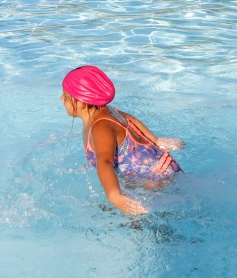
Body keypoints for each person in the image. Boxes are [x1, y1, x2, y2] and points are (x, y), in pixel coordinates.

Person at [60, 65, 183, 215]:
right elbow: (133, 120)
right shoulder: (107, 111)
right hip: (159, 168)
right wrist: (155, 140)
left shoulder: (100, 126)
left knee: (144, 221)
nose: (61, 99)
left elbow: (104, 162)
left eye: (66, 96)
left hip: (156, 179)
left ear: (81, 101)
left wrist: (115, 197)